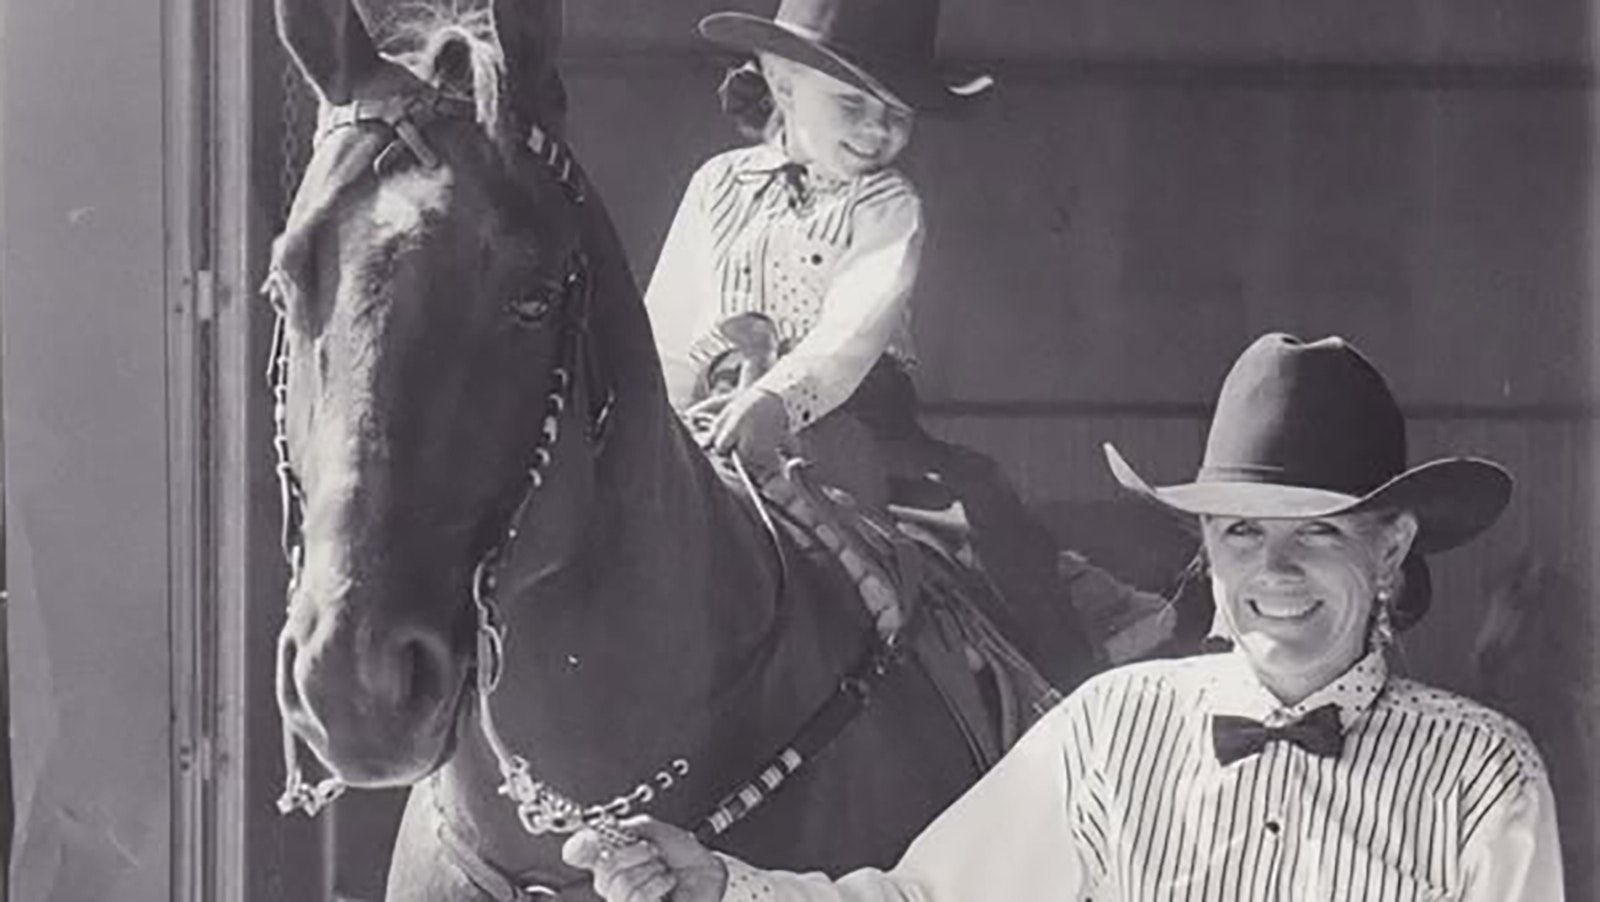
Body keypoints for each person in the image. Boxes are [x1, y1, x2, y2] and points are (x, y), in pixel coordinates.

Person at [563, 333, 1564, 901]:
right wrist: (721, 885)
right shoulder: (1108, 727)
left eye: (1318, 533)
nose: (1275, 569)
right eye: (1242, 532)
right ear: (1206, 545)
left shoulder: (1480, 774)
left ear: (1389, 546)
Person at [647, 0, 1107, 688]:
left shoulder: (888, 205)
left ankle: (1058, 692)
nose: (878, 130)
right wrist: (663, 425)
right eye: (852, 103)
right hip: (715, 413)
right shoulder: (716, 185)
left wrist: (778, 398)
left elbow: (851, 329)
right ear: (782, 80)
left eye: (898, 113)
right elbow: (671, 323)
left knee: (984, 516)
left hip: (860, 419)